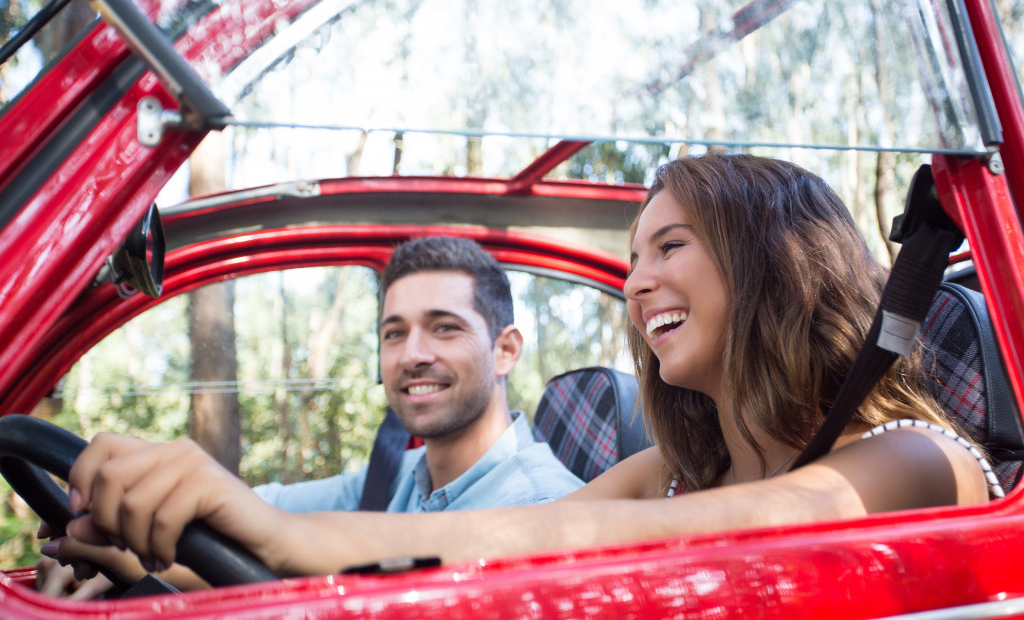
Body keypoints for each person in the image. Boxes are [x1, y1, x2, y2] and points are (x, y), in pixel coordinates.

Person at [44, 154, 993, 584]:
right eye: (631, 260)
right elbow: (514, 537)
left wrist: (279, 532)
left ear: (773, 262)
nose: (638, 282)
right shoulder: (672, 470)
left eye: (670, 246)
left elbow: (746, 526)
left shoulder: (917, 459)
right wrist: (157, 556)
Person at [37, 235, 582, 593]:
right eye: (394, 333)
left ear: (506, 350)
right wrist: (124, 512)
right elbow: (256, 512)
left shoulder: (542, 509)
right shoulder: (397, 479)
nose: (413, 354)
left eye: (445, 327)